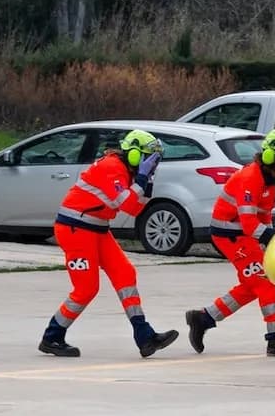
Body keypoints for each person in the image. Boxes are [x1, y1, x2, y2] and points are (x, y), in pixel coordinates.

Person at [39, 129, 180, 358]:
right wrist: (142, 180)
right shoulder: (112, 167)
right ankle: (52, 336)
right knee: (86, 289)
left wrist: (147, 181)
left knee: (125, 273)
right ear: (134, 154)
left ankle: (144, 335)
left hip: (96, 228)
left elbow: (135, 208)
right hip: (75, 229)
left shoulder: (126, 171)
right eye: (148, 158)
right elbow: (124, 203)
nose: (152, 163)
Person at [184, 127, 275, 356]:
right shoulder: (251, 177)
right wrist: (272, 238)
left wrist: (269, 236)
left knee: (253, 285)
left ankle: (204, 318)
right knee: (264, 281)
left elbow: (264, 213)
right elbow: (250, 222)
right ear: (272, 156)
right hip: (229, 234)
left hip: (242, 234)